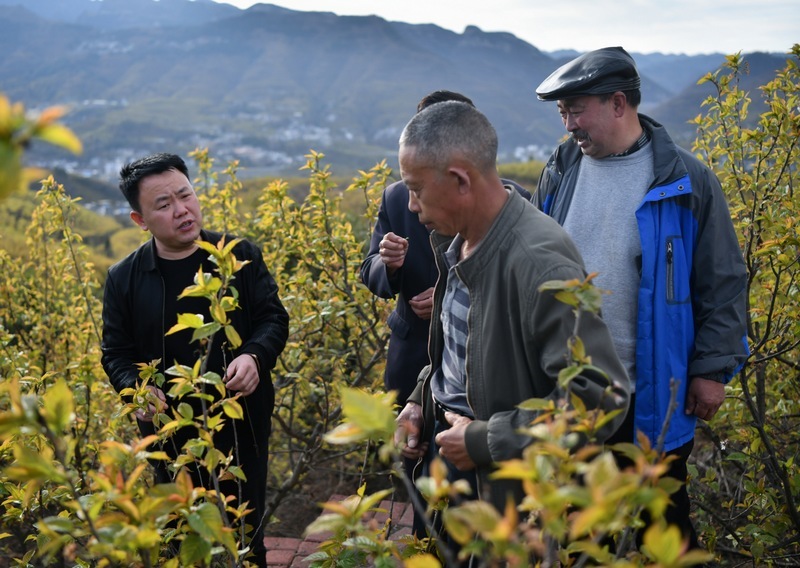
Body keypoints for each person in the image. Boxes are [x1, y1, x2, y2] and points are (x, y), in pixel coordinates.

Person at [533, 46, 749, 549]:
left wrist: (712, 369)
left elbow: (723, 280)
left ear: (617, 103)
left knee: (664, 524)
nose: (568, 125)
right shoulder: (561, 169)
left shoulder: (685, 181)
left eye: (576, 109)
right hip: (571, 387)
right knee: (580, 527)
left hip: (652, 388)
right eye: (562, 113)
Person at [391, 101, 630, 536]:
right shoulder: (460, 244)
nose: (410, 205)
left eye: (416, 188)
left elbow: (599, 401)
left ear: (460, 179)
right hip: (456, 474)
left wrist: (485, 441)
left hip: (508, 502)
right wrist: (419, 400)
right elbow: (461, 354)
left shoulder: (539, 263)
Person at [101, 153, 289, 567]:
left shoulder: (237, 255)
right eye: (163, 204)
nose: (181, 210)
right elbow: (115, 353)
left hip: (241, 420)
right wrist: (135, 389)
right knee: (181, 535)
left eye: (185, 195)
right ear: (140, 220)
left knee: (245, 531)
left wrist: (255, 356)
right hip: (169, 429)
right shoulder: (124, 279)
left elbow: (273, 318)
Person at [361, 90, 530, 537]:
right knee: (416, 460)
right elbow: (370, 270)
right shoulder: (398, 199)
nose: (418, 202)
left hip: (480, 369)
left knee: (475, 487)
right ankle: (425, 539)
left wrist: (455, 290)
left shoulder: (517, 207)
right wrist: (389, 265)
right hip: (415, 357)